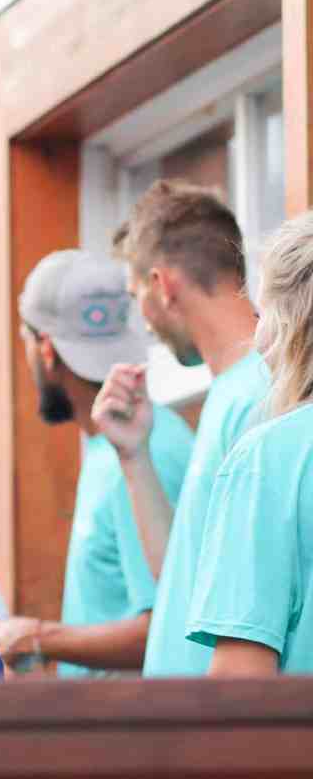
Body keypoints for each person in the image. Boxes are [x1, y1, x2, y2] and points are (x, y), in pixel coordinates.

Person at [93, 180, 270, 676]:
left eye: (136, 296)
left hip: (220, 721)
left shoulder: (260, 392)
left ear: (163, 284)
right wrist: (134, 456)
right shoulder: (233, 390)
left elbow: (259, 607)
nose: (145, 323)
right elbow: (186, 578)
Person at [0, 248, 192, 675]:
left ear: (46, 350)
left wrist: (38, 637)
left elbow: (170, 624)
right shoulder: (121, 442)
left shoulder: (142, 451)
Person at [187, 212, 313, 675]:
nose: (257, 339)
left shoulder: (268, 458)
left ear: (292, 323)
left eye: (260, 314)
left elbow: (240, 683)